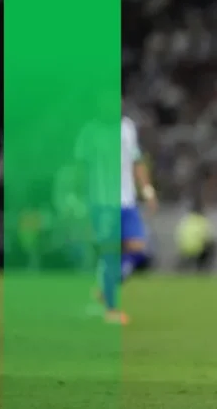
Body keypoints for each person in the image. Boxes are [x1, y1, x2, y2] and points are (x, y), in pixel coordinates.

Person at [76, 112, 158, 325]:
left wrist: (147, 190)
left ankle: (106, 286)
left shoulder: (128, 127)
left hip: (127, 201)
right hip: (102, 203)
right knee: (110, 253)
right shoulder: (89, 131)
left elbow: (137, 161)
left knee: (138, 249)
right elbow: (81, 169)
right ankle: (111, 310)